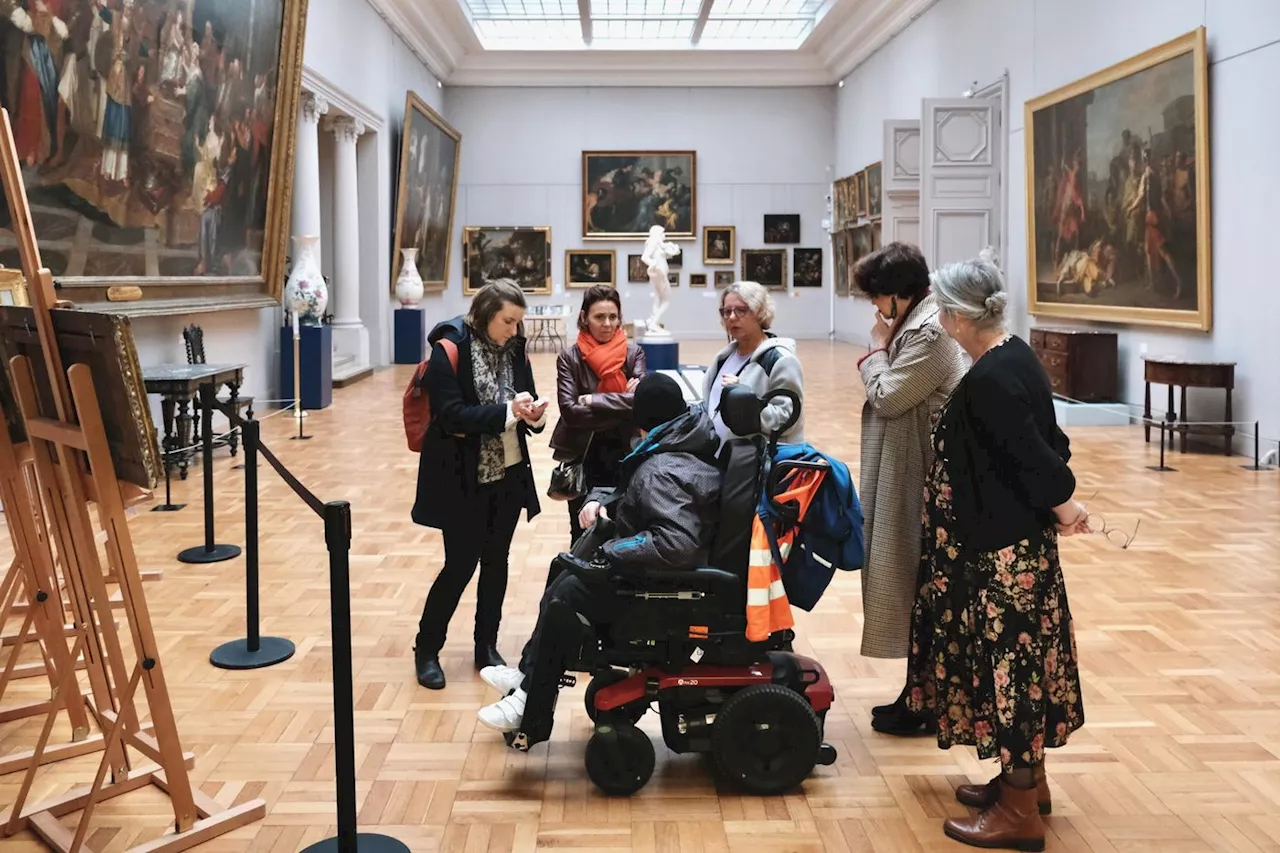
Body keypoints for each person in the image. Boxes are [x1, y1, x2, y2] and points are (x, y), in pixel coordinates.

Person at [903, 259, 1088, 851]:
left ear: (958, 317)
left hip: (1000, 554)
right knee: (1018, 671)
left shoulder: (989, 378)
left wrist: (1065, 507)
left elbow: (1036, 457)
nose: (939, 319)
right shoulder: (1014, 356)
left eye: (940, 310)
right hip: (1002, 545)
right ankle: (1026, 785)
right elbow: (1047, 441)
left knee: (1009, 672)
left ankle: (1018, 813)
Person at [473, 374, 721, 732]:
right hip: (666, 569)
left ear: (640, 419)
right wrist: (598, 500)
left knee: (568, 593)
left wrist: (611, 550)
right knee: (563, 569)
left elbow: (674, 543)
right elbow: (633, 491)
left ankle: (530, 702)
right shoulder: (683, 440)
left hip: (667, 584)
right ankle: (527, 674)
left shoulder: (661, 471)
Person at [410, 280, 548, 691]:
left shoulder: (515, 347)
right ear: (486, 313)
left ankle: (485, 644)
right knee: (459, 566)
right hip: (463, 477)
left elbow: (526, 399)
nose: (513, 329)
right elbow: (451, 415)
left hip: (507, 472)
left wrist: (534, 414)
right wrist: (508, 411)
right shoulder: (449, 348)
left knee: (497, 562)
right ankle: (427, 648)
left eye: (518, 322)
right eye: (508, 321)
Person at [852, 242, 966, 736]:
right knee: (911, 582)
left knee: (919, 581)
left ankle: (929, 698)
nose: (876, 309)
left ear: (900, 295)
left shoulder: (929, 332)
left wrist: (876, 350)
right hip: (905, 469)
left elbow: (889, 396)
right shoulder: (915, 325)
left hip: (923, 476)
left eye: (879, 297)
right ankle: (918, 691)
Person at [551, 285, 647, 550]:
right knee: (581, 530)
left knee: (626, 525)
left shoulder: (633, 353)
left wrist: (593, 400)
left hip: (627, 452)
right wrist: (622, 405)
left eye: (613, 317)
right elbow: (570, 412)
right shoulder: (570, 358)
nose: (607, 324)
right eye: (599, 317)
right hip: (584, 453)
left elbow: (641, 403)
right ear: (584, 317)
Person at [701, 281, 804, 446]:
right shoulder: (724, 357)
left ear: (760, 312)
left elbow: (787, 419)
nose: (732, 317)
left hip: (754, 463)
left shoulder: (781, 360)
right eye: (727, 312)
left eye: (741, 310)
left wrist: (745, 401)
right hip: (722, 458)